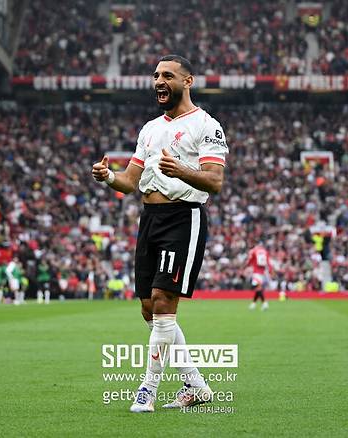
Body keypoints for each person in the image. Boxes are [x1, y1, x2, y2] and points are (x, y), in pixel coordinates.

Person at [91, 54, 227, 413]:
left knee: (165, 304)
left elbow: (215, 181)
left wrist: (182, 171)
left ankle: (147, 389)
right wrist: (107, 178)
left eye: (167, 75)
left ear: (187, 81)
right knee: (151, 310)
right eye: (155, 75)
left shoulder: (207, 125)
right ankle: (196, 385)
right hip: (149, 218)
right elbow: (130, 182)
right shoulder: (149, 129)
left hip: (184, 217)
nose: (158, 81)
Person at [246, 242, 271, 311]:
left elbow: (249, 260)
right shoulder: (265, 251)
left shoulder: (253, 251)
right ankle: (253, 304)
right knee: (258, 288)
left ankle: (265, 303)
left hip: (256, 272)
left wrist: (247, 265)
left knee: (255, 287)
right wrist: (270, 270)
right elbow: (268, 262)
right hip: (263, 272)